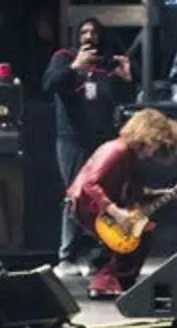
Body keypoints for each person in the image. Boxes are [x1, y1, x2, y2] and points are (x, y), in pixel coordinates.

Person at [45, 17, 135, 280]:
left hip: (103, 140)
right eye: (84, 31)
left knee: (106, 196)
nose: (88, 36)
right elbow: (50, 85)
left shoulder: (107, 64)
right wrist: (75, 67)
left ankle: (101, 255)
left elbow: (125, 98)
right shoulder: (64, 57)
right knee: (75, 195)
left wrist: (127, 79)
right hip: (72, 139)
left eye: (94, 32)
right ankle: (67, 255)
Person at [66, 108, 177, 298]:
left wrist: (168, 193)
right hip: (86, 205)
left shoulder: (128, 156)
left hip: (100, 205)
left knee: (143, 231)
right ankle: (105, 281)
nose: (153, 152)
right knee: (136, 234)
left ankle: (117, 281)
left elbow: (136, 192)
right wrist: (116, 212)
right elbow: (90, 184)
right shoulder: (116, 150)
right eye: (155, 144)